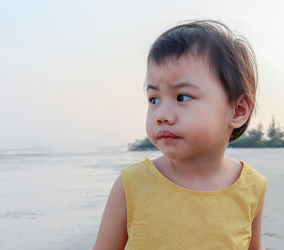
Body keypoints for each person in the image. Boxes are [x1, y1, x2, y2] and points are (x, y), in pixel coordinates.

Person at [93, 19, 267, 250]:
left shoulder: (252, 187)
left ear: (238, 110)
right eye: (154, 99)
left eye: (182, 97)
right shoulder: (132, 185)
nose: (161, 115)